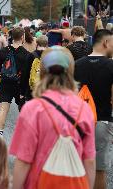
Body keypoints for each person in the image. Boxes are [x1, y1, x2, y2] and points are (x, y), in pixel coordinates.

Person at [10, 47, 96, 189]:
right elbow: (90, 160)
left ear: (43, 71)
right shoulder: (84, 109)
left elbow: (24, 161)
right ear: (70, 71)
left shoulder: (33, 109)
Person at [74, 29, 113, 189]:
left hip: (78, 123)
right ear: (105, 43)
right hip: (102, 122)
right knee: (99, 170)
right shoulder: (111, 65)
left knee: (79, 167)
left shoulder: (77, 64)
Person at [0, 27, 29, 137]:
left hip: (5, 83)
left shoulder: (3, 51)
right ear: (22, 37)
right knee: (23, 110)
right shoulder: (26, 53)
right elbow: (26, 73)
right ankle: (25, 134)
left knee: (3, 109)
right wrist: (25, 90)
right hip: (19, 85)